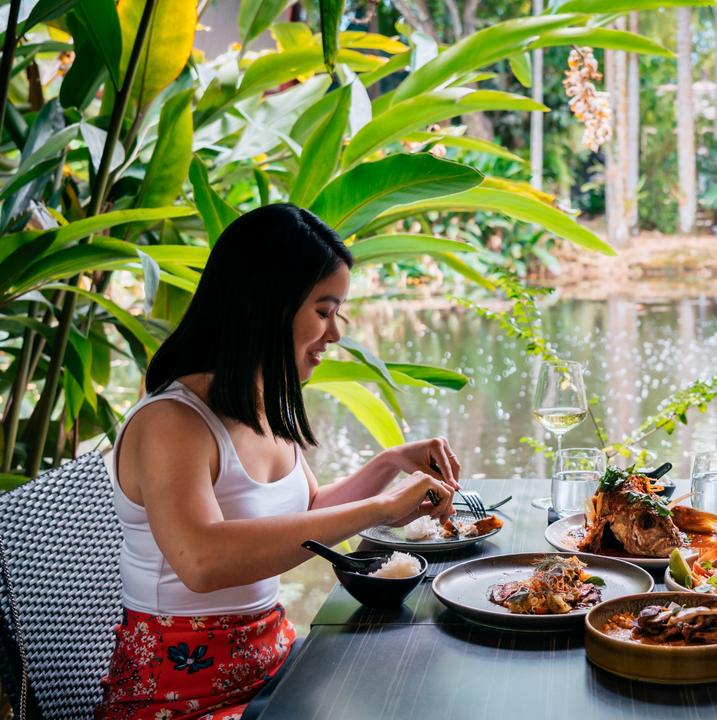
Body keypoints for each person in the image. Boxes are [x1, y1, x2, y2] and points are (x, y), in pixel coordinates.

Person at [97, 204, 459, 719]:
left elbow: (306, 511)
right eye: (323, 310)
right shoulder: (173, 423)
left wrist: (389, 463)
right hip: (178, 696)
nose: (335, 334)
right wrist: (380, 509)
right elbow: (202, 561)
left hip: (271, 667)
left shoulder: (261, 403)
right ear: (267, 303)